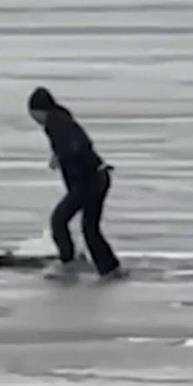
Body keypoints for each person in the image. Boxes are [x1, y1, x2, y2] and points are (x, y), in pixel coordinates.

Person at [27, 86, 124, 280]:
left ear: (39, 111)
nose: (34, 119)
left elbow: (75, 145)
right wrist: (59, 155)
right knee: (90, 228)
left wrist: (62, 156)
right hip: (99, 176)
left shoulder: (55, 122)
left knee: (59, 220)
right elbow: (79, 142)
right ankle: (109, 268)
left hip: (89, 181)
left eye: (33, 114)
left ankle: (69, 263)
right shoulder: (62, 119)